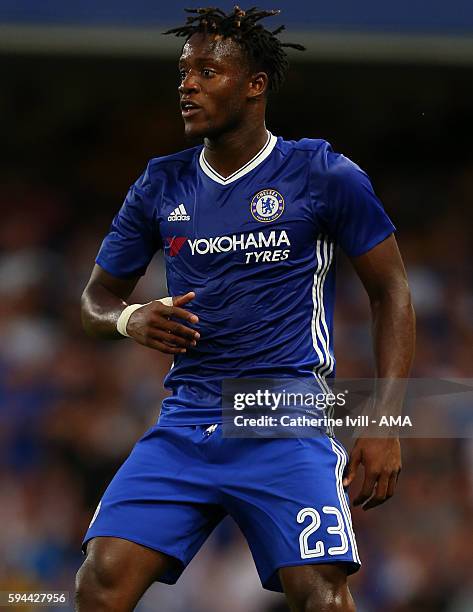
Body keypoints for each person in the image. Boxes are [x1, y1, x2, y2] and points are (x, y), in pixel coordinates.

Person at [75, 6, 415, 612]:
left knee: (319, 592)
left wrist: (385, 422)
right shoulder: (161, 184)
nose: (187, 84)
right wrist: (129, 318)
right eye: (184, 72)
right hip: (188, 415)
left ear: (254, 85)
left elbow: (391, 291)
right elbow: (95, 300)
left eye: (208, 71)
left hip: (281, 412)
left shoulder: (322, 173)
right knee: (101, 581)